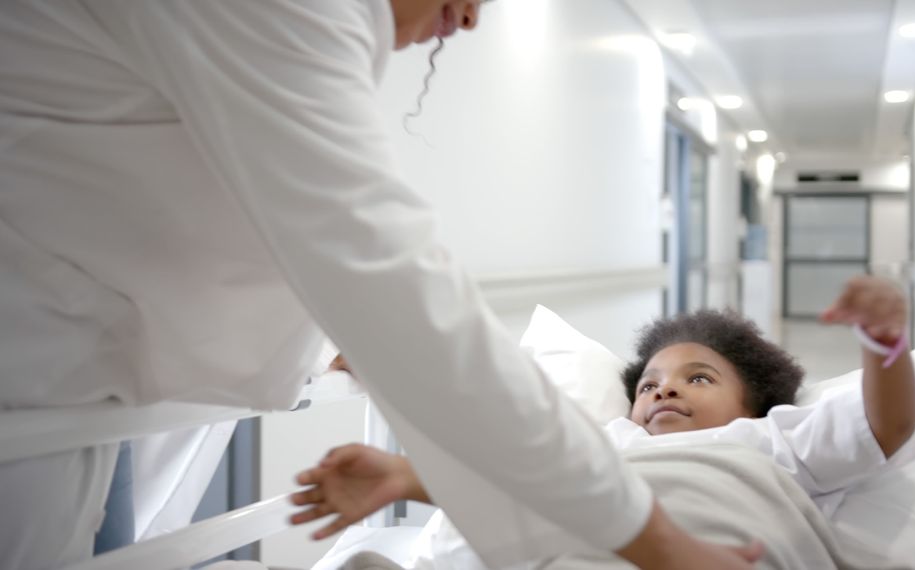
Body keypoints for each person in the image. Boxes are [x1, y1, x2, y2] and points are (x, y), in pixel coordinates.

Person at [0, 1, 752, 568]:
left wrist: (319, 347)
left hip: (76, 359)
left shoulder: (765, 442)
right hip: (41, 358)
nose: (468, 18)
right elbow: (391, 279)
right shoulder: (284, 13)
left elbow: (192, 195)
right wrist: (661, 545)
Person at [290, 276, 915, 566]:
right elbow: (512, 475)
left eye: (697, 378)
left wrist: (885, 343)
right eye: (649, 384)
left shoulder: (770, 439)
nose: (665, 388)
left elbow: (885, 425)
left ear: (753, 403)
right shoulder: (606, 440)